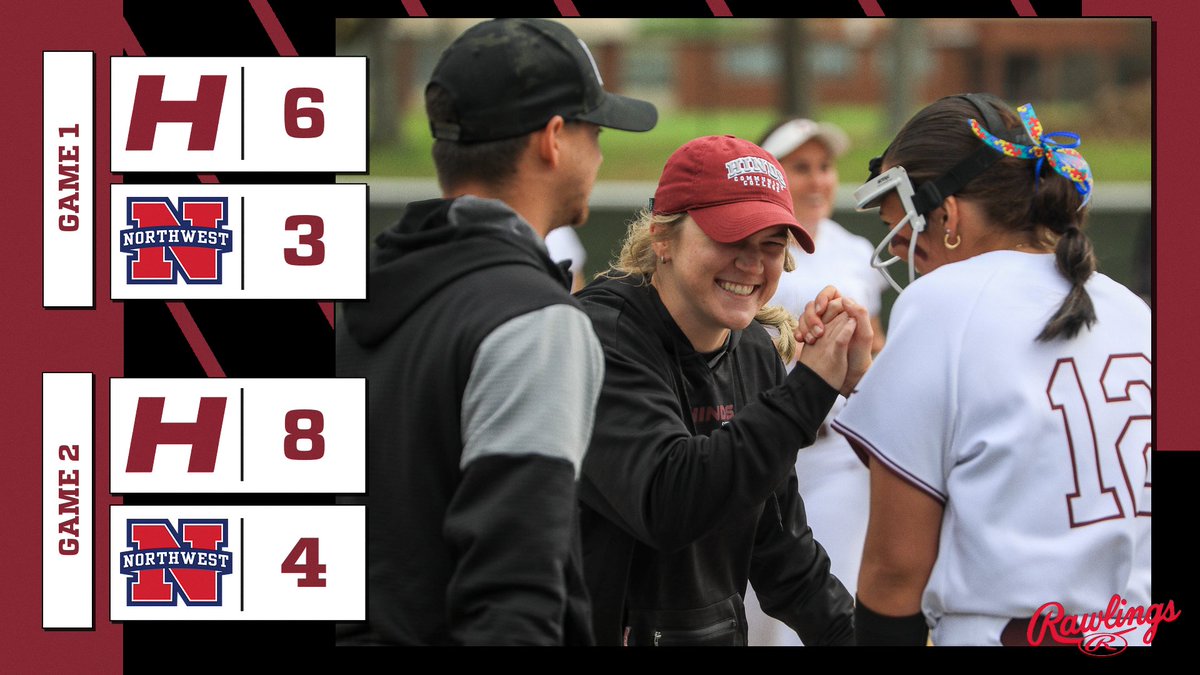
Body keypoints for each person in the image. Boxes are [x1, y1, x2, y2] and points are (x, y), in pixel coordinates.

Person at [335, 18, 657, 646]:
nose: (600, 154)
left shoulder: (367, 291)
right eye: (595, 131)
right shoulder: (533, 320)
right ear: (554, 140)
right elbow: (515, 595)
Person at [805, 93, 1151, 646]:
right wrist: (875, 385)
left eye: (908, 241)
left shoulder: (944, 303)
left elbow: (895, 569)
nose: (900, 255)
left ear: (948, 215)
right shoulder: (1135, 313)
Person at [576, 135, 873, 646]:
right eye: (729, 238)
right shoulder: (601, 335)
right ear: (662, 237)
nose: (751, 264)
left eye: (772, 245)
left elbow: (783, 555)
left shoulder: (754, 350)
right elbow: (671, 502)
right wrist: (809, 388)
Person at [742, 118, 890, 647]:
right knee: (754, 621)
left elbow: (875, 349)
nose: (816, 180)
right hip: (757, 449)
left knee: (823, 610)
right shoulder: (746, 249)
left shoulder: (854, 251)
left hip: (834, 458)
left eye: (824, 167)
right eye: (798, 167)